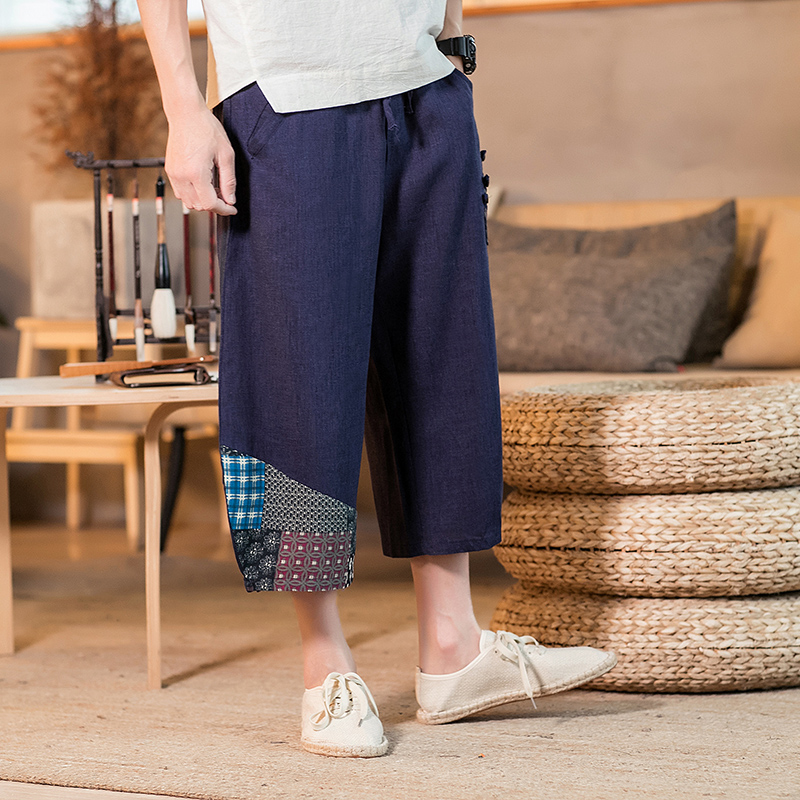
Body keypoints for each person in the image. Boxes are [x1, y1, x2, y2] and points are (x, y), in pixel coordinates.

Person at [135, 0, 617, 758]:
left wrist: (450, 42)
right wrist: (184, 109)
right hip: (287, 98)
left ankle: (453, 648)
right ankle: (323, 664)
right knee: (297, 384)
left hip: (425, 86)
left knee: (444, 363)